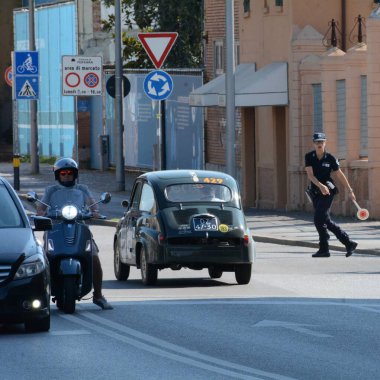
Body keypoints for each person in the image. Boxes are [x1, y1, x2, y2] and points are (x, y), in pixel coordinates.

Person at [36, 157, 113, 309]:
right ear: (58, 175)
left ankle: (98, 295)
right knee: (42, 260)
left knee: (94, 257)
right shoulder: (51, 190)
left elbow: (92, 204)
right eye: (63, 173)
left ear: (75, 174)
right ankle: (40, 295)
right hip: (55, 228)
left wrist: (95, 212)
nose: (66, 176)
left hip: (79, 226)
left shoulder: (82, 189)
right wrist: (41, 213)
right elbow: (41, 207)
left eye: (69, 173)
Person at [305, 132, 358, 258]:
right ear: (314, 143)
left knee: (319, 219)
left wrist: (350, 190)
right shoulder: (309, 156)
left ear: (325, 143)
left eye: (322, 142)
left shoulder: (330, 158)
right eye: (317, 142)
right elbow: (310, 175)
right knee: (325, 220)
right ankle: (348, 243)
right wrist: (320, 186)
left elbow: (339, 174)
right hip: (316, 191)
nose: (319, 144)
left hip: (328, 191)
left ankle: (324, 248)